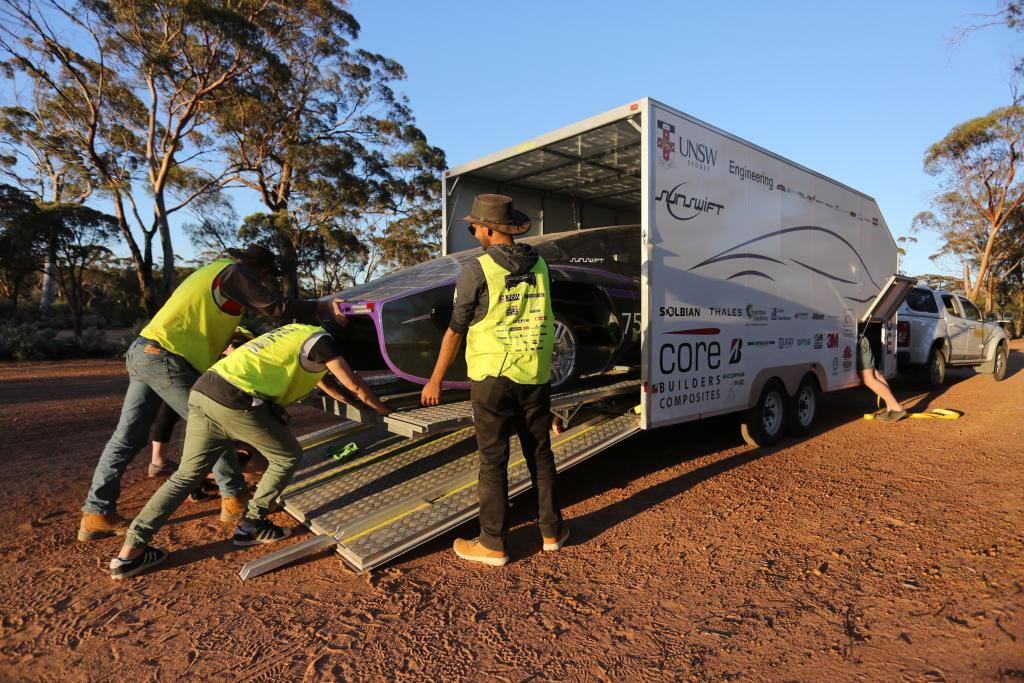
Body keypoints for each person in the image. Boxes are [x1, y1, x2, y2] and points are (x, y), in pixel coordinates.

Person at [79, 245, 325, 542]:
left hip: (146, 350)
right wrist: (321, 306)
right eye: (263, 277)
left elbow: (211, 326)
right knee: (213, 422)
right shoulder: (233, 273)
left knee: (126, 437)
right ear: (256, 270)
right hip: (168, 357)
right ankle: (234, 500)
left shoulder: (212, 275)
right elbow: (277, 308)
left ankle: (96, 513)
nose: (262, 284)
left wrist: (239, 339)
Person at [108, 321, 392, 579]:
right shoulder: (323, 343)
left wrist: (356, 405)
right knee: (287, 456)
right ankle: (251, 525)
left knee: (185, 476)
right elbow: (353, 384)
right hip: (237, 400)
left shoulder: (299, 334)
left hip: (205, 392)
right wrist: (383, 411)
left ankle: (129, 553)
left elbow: (331, 386)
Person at [421, 194, 568, 567]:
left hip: (492, 378)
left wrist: (435, 379)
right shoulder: (541, 264)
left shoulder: (477, 269)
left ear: (488, 229)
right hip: (534, 372)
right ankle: (552, 532)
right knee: (539, 453)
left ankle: (493, 543)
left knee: (493, 460)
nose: (473, 232)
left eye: (475, 227)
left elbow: (456, 329)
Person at [858, 326, 906, 422]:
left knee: (868, 378)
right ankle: (890, 408)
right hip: (860, 340)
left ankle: (896, 407)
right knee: (875, 375)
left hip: (859, 342)